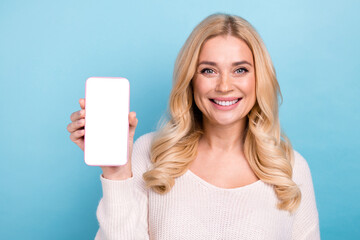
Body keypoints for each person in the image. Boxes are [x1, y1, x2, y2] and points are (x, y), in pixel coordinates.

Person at [67, 13, 320, 239]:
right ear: (191, 80)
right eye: (209, 71)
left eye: (240, 70)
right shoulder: (150, 154)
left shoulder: (291, 168)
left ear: (259, 79)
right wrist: (117, 174)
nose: (224, 86)